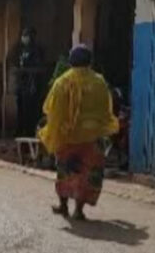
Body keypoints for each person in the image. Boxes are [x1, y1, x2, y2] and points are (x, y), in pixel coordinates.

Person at [41, 44, 119, 223]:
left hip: (68, 136)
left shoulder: (62, 82)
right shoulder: (99, 82)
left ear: (71, 61)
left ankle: (63, 206)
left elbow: (53, 109)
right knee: (87, 174)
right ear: (90, 61)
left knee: (65, 171)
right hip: (92, 137)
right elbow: (106, 110)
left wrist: (53, 130)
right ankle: (79, 210)